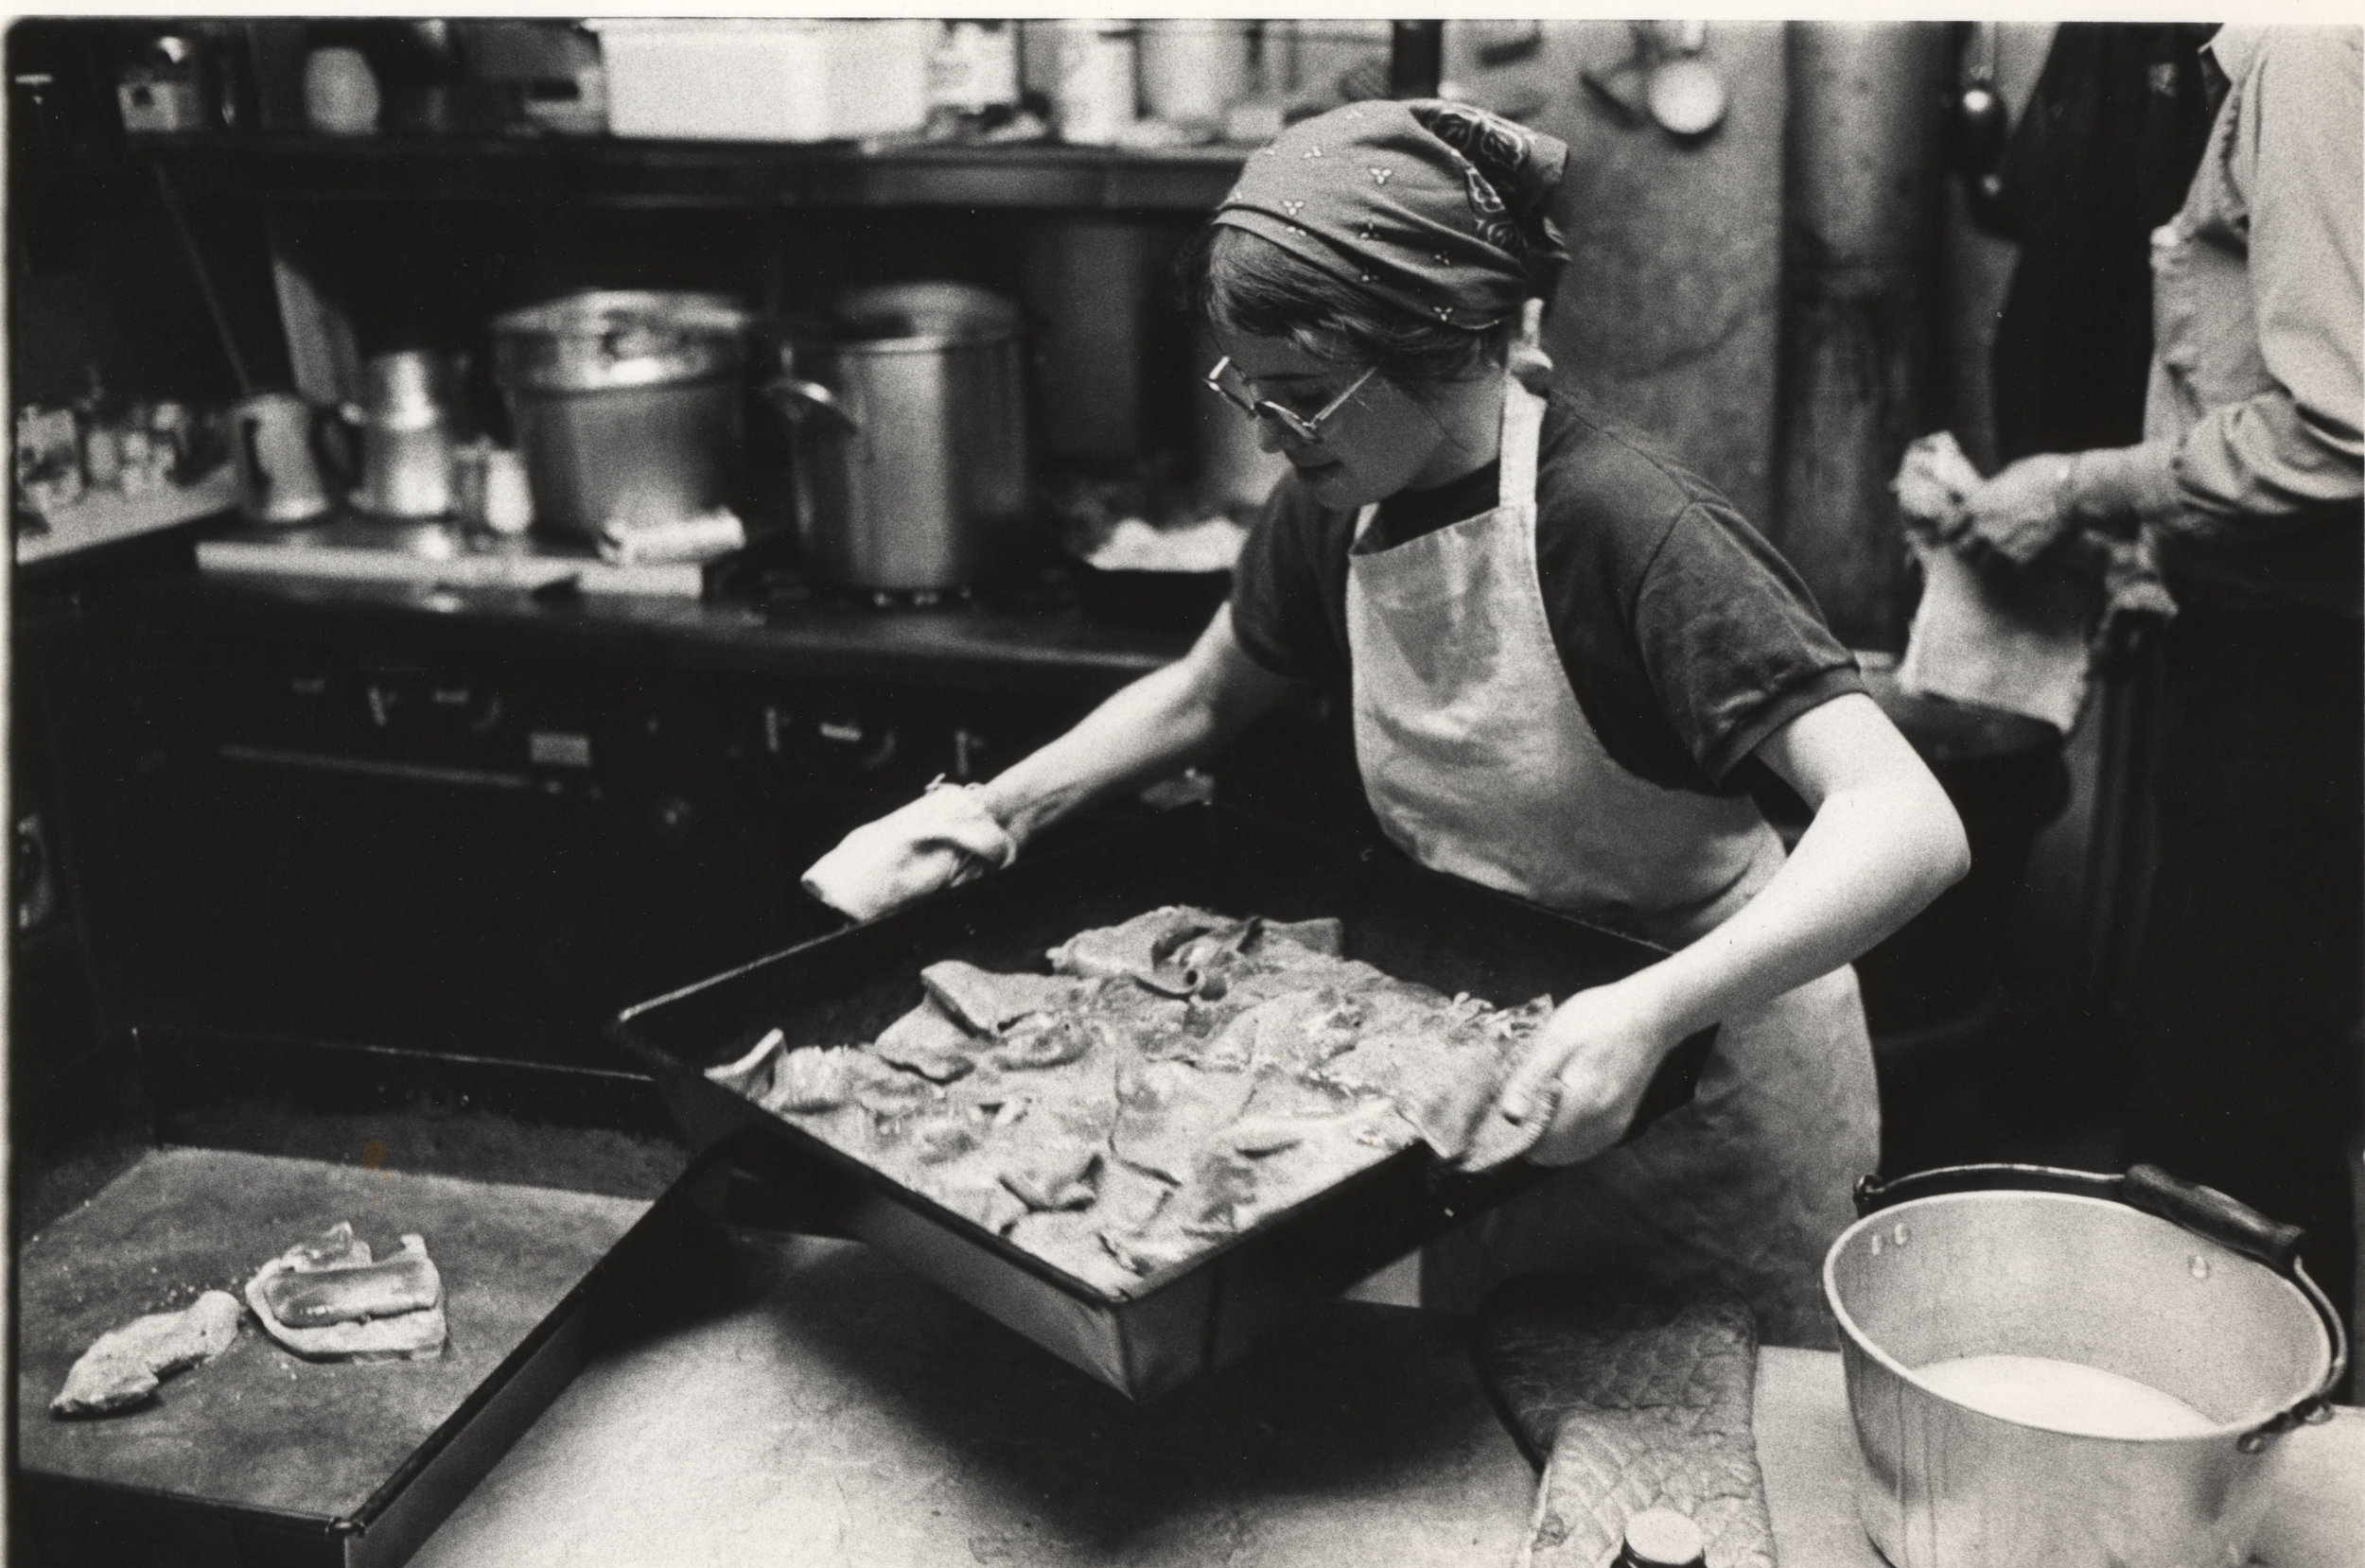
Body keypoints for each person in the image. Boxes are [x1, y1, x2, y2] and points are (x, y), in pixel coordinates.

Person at [807, 100, 1970, 1346]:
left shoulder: (1627, 528)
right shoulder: (1338, 498)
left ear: (1436, 345)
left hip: (1708, 1092)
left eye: (1298, 392)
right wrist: (984, 819)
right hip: (1498, 1074)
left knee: (1712, 1458)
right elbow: (1203, 694)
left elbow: (1909, 822)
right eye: (1244, 387)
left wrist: (1649, 1010)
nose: (1263, 433)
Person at [1944, 27, 2361, 1329]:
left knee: (2232, 1134)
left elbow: (2338, 428)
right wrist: (2142, 559)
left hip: (2302, 670)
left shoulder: (2312, 55)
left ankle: (2251, 1488)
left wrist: (2079, 486)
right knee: (2268, 1095)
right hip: (2281, 634)